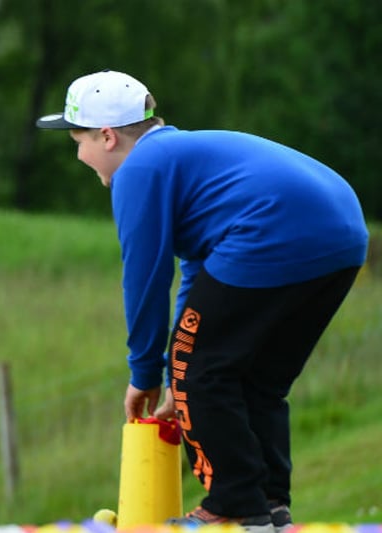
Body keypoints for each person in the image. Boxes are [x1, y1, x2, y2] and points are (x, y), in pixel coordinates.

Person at [37, 70, 369, 532]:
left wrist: (149, 372)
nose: (79, 154)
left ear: (107, 137)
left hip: (276, 232)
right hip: (343, 234)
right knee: (256, 379)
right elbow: (199, 270)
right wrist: (177, 363)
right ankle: (268, 504)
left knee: (202, 371)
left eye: (78, 141)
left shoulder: (139, 171)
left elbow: (145, 279)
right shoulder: (177, 157)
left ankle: (234, 501)